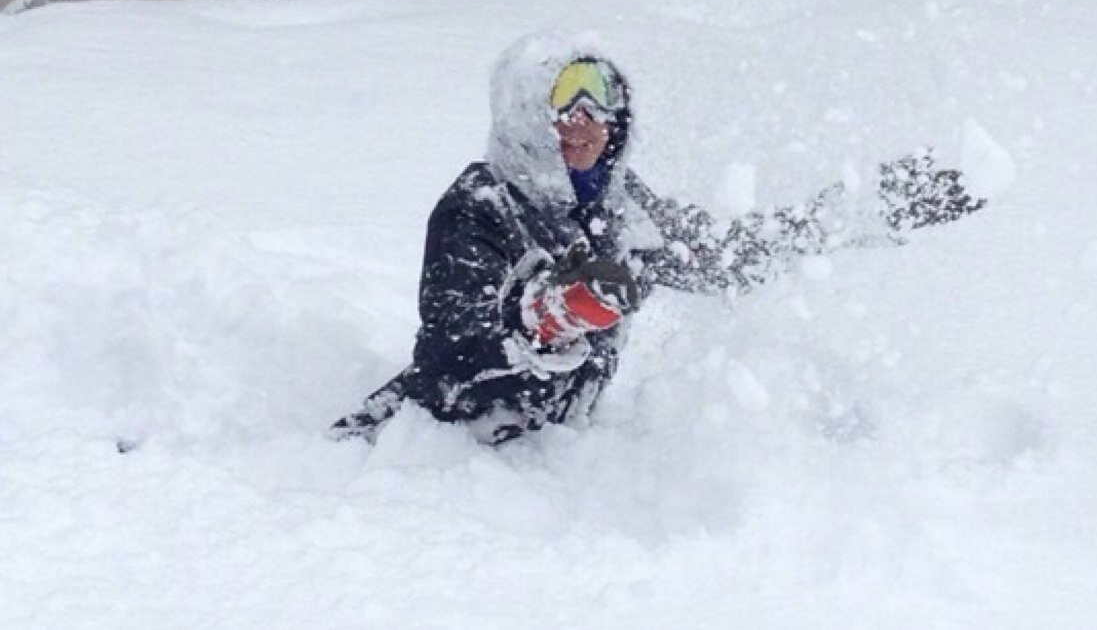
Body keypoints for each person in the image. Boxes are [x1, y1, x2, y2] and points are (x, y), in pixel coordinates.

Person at [331, 33, 982, 445]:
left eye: (603, 104)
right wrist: (546, 316)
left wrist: (862, 213)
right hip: (442, 458)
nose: (589, 121)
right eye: (567, 104)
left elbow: (725, 257)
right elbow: (455, 348)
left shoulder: (618, 206)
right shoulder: (479, 205)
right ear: (528, 115)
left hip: (551, 462)